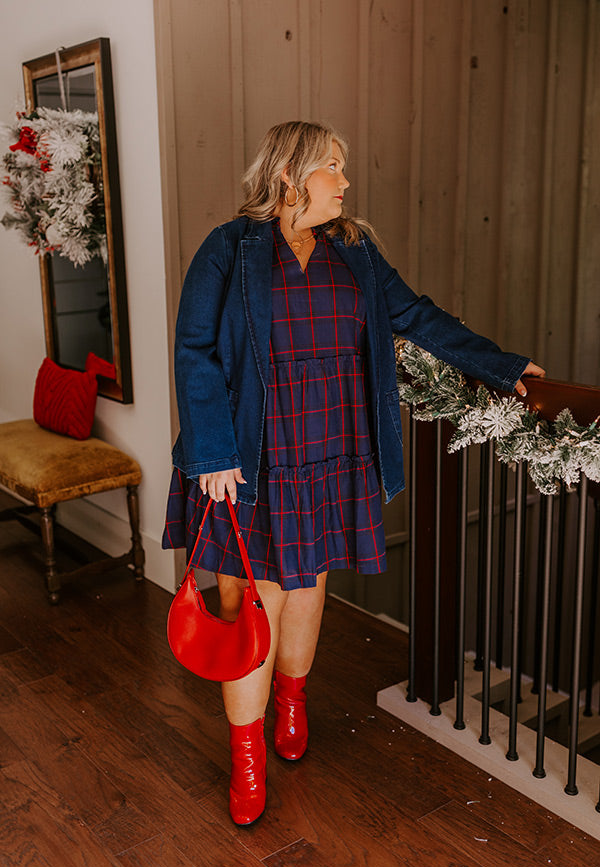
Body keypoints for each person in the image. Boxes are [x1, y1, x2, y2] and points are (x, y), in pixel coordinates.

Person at [162, 120, 544, 826]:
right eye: (331, 167)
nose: (344, 181)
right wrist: (212, 453)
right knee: (252, 600)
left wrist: (502, 366)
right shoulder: (229, 247)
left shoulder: (356, 252)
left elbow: (418, 318)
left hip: (332, 445)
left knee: (308, 587)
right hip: (247, 455)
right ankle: (247, 759)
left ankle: (292, 702)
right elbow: (194, 349)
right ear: (289, 175)